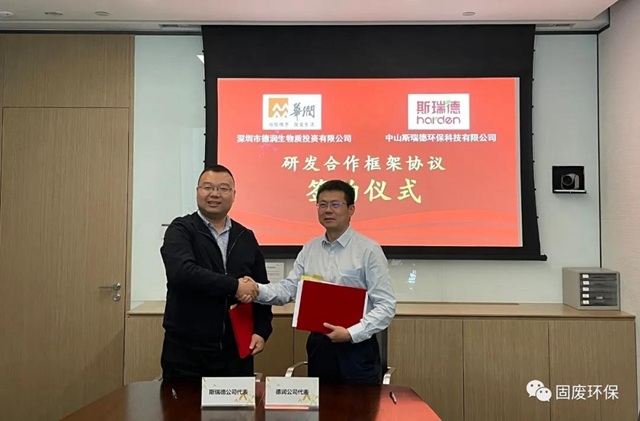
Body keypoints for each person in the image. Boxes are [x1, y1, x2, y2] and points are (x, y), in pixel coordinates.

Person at [239, 179, 396, 385]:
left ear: (351, 209)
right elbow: (288, 289)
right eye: (322, 204)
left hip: (357, 347)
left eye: (335, 204)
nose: (328, 210)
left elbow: (386, 305)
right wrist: (256, 289)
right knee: (321, 404)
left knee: (359, 405)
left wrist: (351, 333)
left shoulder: (368, 250)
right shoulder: (310, 249)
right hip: (320, 345)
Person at [159, 164, 273, 381]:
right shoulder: (181, 229)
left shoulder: (245, 236)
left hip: (235, 350)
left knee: (236, 404)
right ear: (197, 191)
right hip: (187, 351)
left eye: (223, 189)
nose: (214, 194)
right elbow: (182, 273)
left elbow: (259, 286)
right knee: (184, 404)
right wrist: (235, 286)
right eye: (208, 187)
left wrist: (262, 330)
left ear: (233, 194)